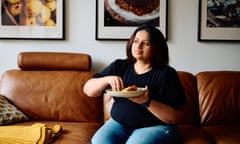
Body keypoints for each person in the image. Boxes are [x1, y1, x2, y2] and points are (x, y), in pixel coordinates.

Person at [83, 24, 187, 144]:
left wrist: (147, 102)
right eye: (136, 41)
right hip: (119, 124)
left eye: (146, 43)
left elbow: (176, 117)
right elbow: (88, 90)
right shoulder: (119, 66)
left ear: (156, 48)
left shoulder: (166, 74)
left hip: (155, 126)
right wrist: (106, 79)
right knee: (98, 142)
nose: (138, 46)